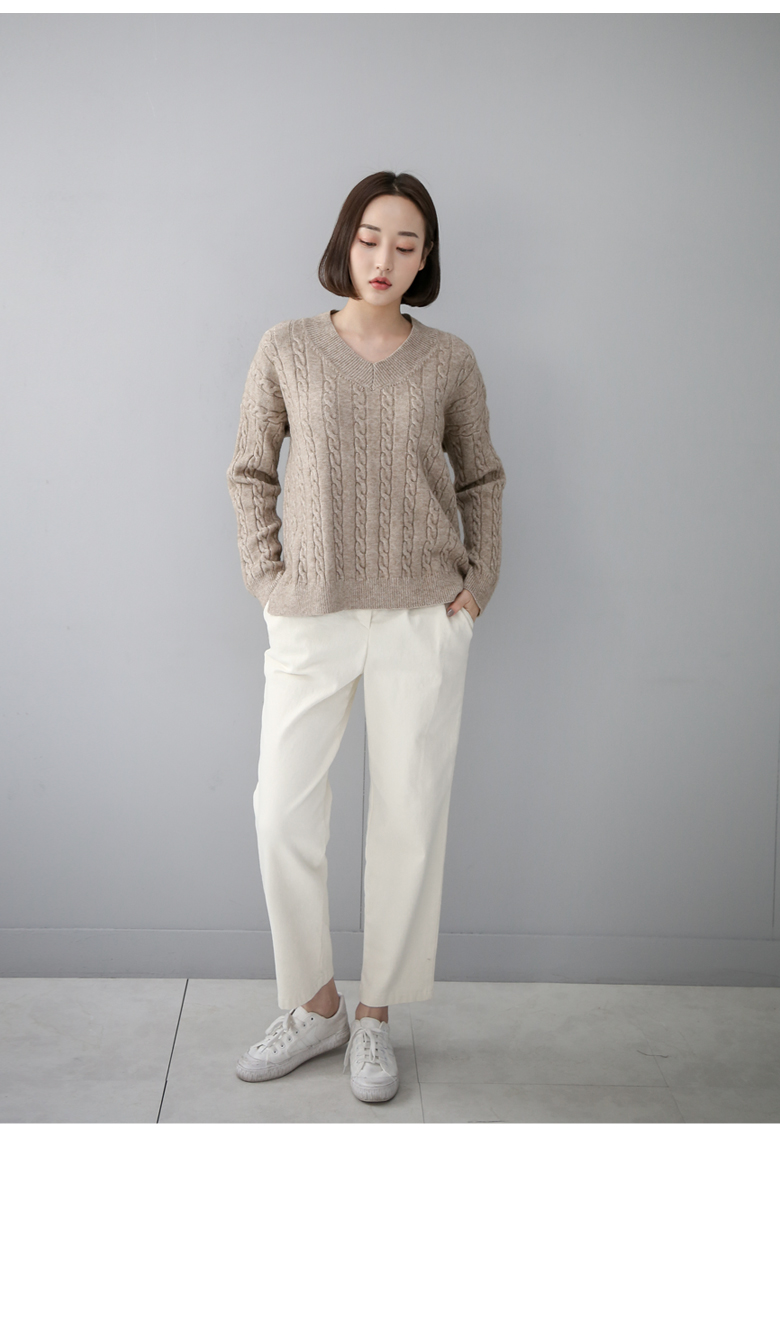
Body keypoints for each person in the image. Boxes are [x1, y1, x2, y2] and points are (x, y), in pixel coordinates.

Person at [226, 170, 505, 1104]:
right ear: (345, 241)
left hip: (423, 615)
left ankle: (376, 1016)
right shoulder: (287, 347)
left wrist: (477, 585)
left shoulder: (450, 360)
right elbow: (250, 471)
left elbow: (481, 477)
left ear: (426, 260)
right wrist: (269, 579)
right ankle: (317, 1008)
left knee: (407, 821)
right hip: (311, 613)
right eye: (371, 237)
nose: (385, 258)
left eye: (407, 244)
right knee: (280, 813)